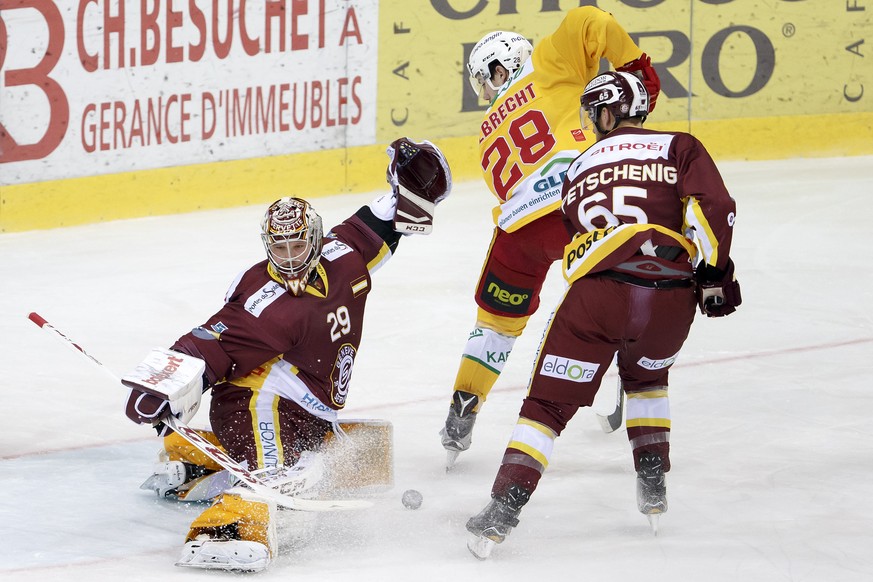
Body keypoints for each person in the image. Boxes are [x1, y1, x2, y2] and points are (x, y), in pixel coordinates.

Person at [122, 137, 452, 572]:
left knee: (316, 460)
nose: (291, 258)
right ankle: (226, 530)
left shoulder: (346, 257)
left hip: (306, 404)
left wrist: (409, 189)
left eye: (299, 246)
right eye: (280, 249)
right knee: (283, 484)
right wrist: (162, 386)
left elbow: (382, 221)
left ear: (316, 239)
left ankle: (194, 456)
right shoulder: (264, 306)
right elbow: (209, 343)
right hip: (252, 406)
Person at [465, 71, 741, 559]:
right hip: (669, 303)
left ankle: (501, 513)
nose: (592, 123)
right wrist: (715, 274)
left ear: (607, 111)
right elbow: (712, 208)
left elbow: (576, 229)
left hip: (596, 301)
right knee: (647, 381)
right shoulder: (680, 145)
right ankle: (653, 484)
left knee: (547, 408)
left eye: (594, 113)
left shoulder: (581, 164)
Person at [440, 6, 662, 469]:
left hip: (518, 233)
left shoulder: (485, 134)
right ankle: (628, 365)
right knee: (625, 284)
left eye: (485, 78)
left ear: (501, 66)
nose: (486, 90)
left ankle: (464, 407)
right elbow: (590, 20)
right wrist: (635, 70)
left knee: (495, 325)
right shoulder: (546, 62)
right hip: (577, 204)